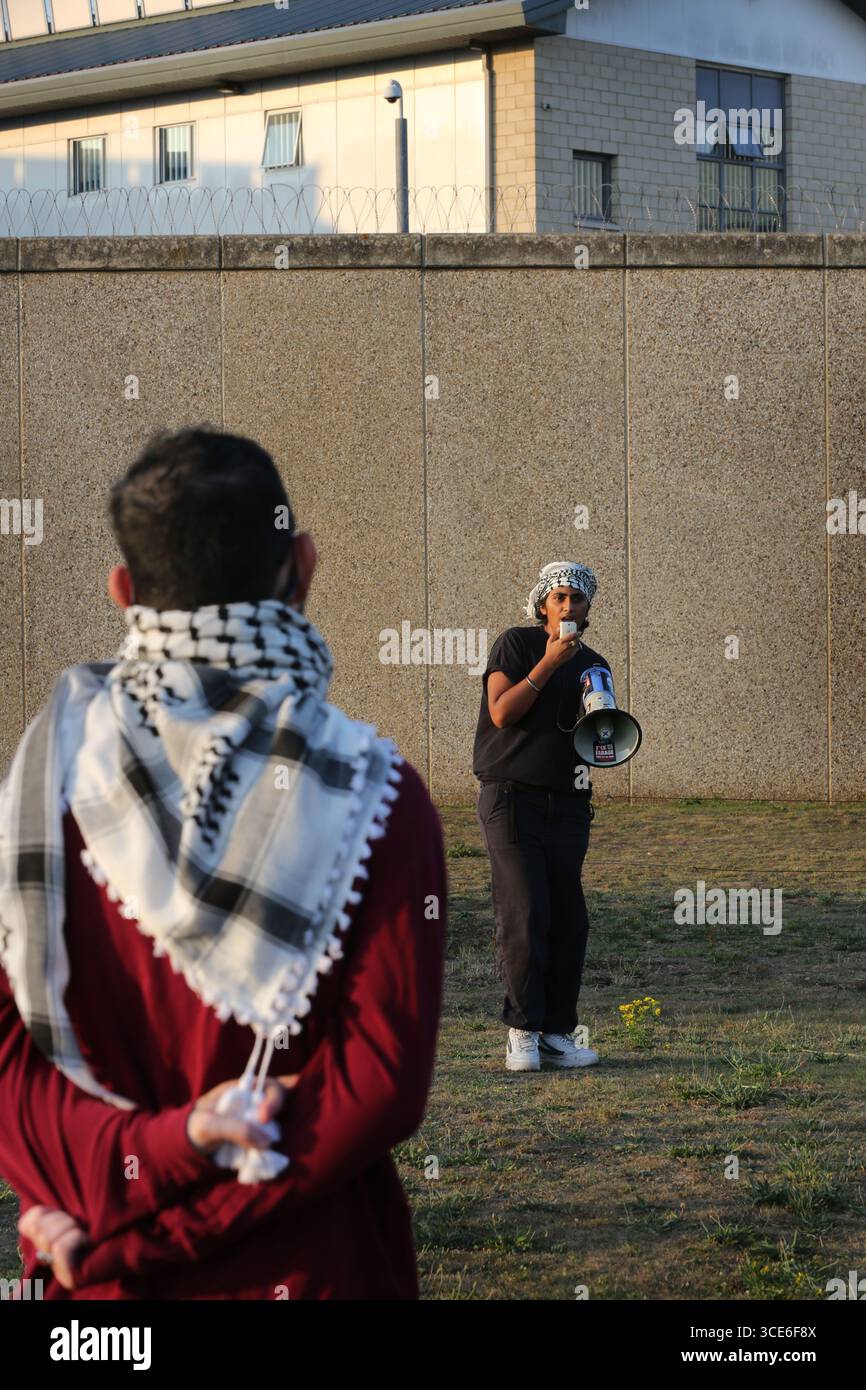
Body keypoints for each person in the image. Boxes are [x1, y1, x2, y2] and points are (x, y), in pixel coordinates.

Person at [0, 424, 446, 1299]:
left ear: (124, 591)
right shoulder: (377, 795)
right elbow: (379, 1085)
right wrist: (155, 1228)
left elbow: (14, 1073)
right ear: (305, 566)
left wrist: (128, 1202)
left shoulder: (38, 791)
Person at [472, 561, 611, 1073]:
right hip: (511, 799)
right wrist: (549, 664)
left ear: (589, 610)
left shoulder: (595, 664)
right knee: (526, 912)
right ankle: (522, 1033)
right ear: (542, 606)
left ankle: (555, 1033)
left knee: (569, 920)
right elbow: (503, 712)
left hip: (568, 804)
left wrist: (603, 732)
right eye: (560, 599)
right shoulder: (518, 644)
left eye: (578, 600)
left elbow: (602, 743)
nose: (569, 607)